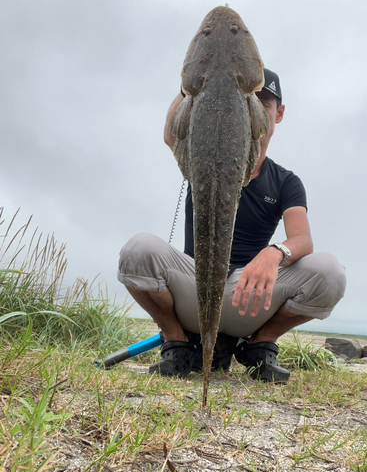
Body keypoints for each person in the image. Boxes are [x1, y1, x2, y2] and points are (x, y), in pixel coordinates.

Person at [117, 69, 347, 382]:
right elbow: (172, 135)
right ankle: (177, 341)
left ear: (278, 114)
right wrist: (192, 86)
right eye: (246, 103)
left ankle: (261, 343)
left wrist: (274, 253)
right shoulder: (202, 157)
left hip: (249, 293)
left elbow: (303, 239)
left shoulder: (286, 182)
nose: (254, 112)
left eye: (263, 104)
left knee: (330, 272)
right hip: (196, 282)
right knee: (138, 249)